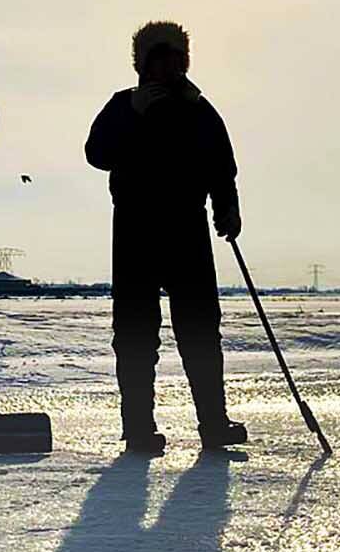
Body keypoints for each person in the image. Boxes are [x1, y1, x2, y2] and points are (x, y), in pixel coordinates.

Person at [85, 22, 248, 455]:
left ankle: (213, 423)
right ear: (143, 64)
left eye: (175, 58)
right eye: (159, 58)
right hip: (136, 228)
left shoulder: (199, 110)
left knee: (200, 328)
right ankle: (138, 429)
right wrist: (131, 113)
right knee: (136, 331)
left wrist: (226, 206)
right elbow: (96, 153)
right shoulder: (123, 105)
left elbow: (221, 164)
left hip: (186, 228)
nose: (168, 67)